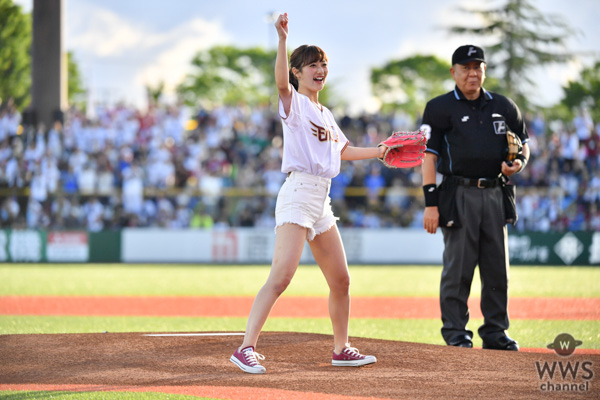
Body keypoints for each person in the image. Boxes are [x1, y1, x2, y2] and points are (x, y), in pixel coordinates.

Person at [230, 12, 385, 374]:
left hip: (321, 200)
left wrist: (381, 151)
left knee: (342, 280)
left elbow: (344, 151)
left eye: (324, 64)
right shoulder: (295, 105)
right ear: (298, 71)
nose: (320, 69)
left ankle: (341, 348)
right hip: (299, 192)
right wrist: (283, 40)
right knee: (282, 276)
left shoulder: (324, 112)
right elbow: (281, 84)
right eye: (312, 64)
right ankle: (245, 347)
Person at [420, 45, 530, 351]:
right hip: (458, 193)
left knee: (497, 269)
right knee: (458, 268)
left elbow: (524, 143)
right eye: (466, 67)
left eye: (477, 66)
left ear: (484, 70)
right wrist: (430, 203)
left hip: (496, 193)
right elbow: (428, 158)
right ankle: (456, 332)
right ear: (453, 71)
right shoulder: (439, 107)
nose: (472, 73)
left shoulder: (504, 106)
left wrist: (520, 162)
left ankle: (496, 332)